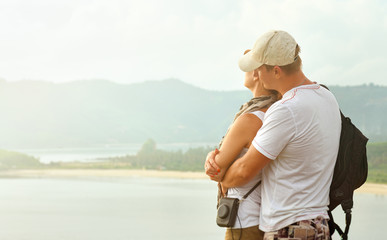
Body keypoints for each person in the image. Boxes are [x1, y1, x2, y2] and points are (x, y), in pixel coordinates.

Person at [206, 30, 341, 240]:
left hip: (289, 229)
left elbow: (243, 171)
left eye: (260, 68)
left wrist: (221, 175)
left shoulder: (287, 109)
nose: (257, 73)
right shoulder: (327, 97)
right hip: (320, 224)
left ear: (276, 71)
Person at [204, 49, 280, 240]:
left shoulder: (249, 119)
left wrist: (213, 160)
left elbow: (216, 171)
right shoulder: (276, 113)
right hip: (266, 219)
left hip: (243, 222)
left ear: (256, 73)